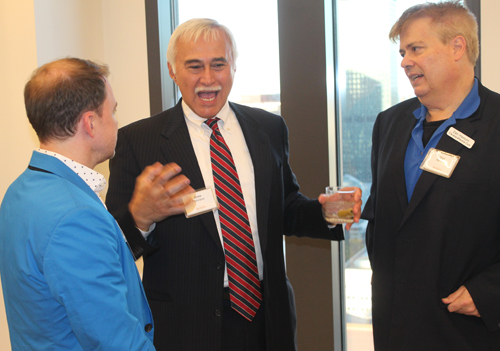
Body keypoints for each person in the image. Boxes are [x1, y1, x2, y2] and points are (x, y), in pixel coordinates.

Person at [106, 18, 362, 351]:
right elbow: (113, 246)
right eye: (194, 66)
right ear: (172, 70)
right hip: (186, 324)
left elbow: (284, 208)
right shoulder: (138, 141)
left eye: (218, 65)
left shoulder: (268, 128)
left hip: (266, 318)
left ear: (234, 66)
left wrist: (327, 213)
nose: (208, 79)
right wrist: (141, 217)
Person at [362, 1, 500, 350]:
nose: (405, 61)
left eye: (416, 49)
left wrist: (489, 292)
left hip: (468, 330)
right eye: (403, 52)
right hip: (395, 328)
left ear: (457, 47)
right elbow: (382, 223)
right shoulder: (389, 123)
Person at [0, 58, 155, 350]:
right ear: (91, 122)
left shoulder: (18, 191)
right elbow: (116, 340)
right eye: (113, 111)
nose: (117, 122)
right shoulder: (76, 215)